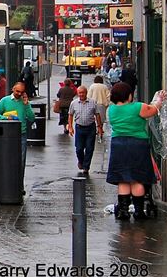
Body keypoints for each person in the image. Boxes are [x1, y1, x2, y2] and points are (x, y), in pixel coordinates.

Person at [106, 82, 161, 220]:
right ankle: (138, 212)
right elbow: (153, 110)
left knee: (123, 180)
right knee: (137, 179)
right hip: (137, 144)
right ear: (129, 95)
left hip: (118, 144)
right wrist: (159, 100)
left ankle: (123, 211)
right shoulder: (138, 107)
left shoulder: (111, 110)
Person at [0, 82, 35, 188]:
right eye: (17, 91)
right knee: (7, 160)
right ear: (13, 89)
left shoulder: (25, 103)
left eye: (21, 92)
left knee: (21, 161)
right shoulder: (5, 101)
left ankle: (19, 185)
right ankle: (8, 184)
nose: (19, 94)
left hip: (21, 134)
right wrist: (6, 118)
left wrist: (26, 105)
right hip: (8, 135)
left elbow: (31, 118)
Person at [68, 85, 103, 175]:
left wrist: (99, 127)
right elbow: (70, 115)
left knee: (89, 148)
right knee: (79, 149)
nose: (81, 94)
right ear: (77, 93)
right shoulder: (74, 103)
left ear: (86, 93)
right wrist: (70, 127)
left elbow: (97, 115)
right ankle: (81, 161)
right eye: (79, 93)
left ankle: (86, 167)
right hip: (79, 128)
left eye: (83, 93)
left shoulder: (93, 102)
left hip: (90, 128)